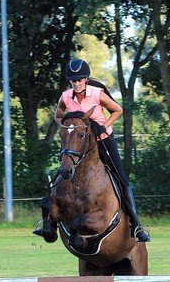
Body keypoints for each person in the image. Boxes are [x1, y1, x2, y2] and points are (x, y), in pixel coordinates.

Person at [53, 59, 151, 242]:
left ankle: (136, 225)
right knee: (61, 174)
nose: (76, 83)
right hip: (78, 145)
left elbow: (117, 110)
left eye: (80, 80)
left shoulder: (97, 94)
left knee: (121, 178)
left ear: (86, 79)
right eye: (73, 81)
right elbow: (58, 112)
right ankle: (49, 220)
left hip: (103, 140)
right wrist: (65, 126)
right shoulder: (66, 96)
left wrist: (104, 126)